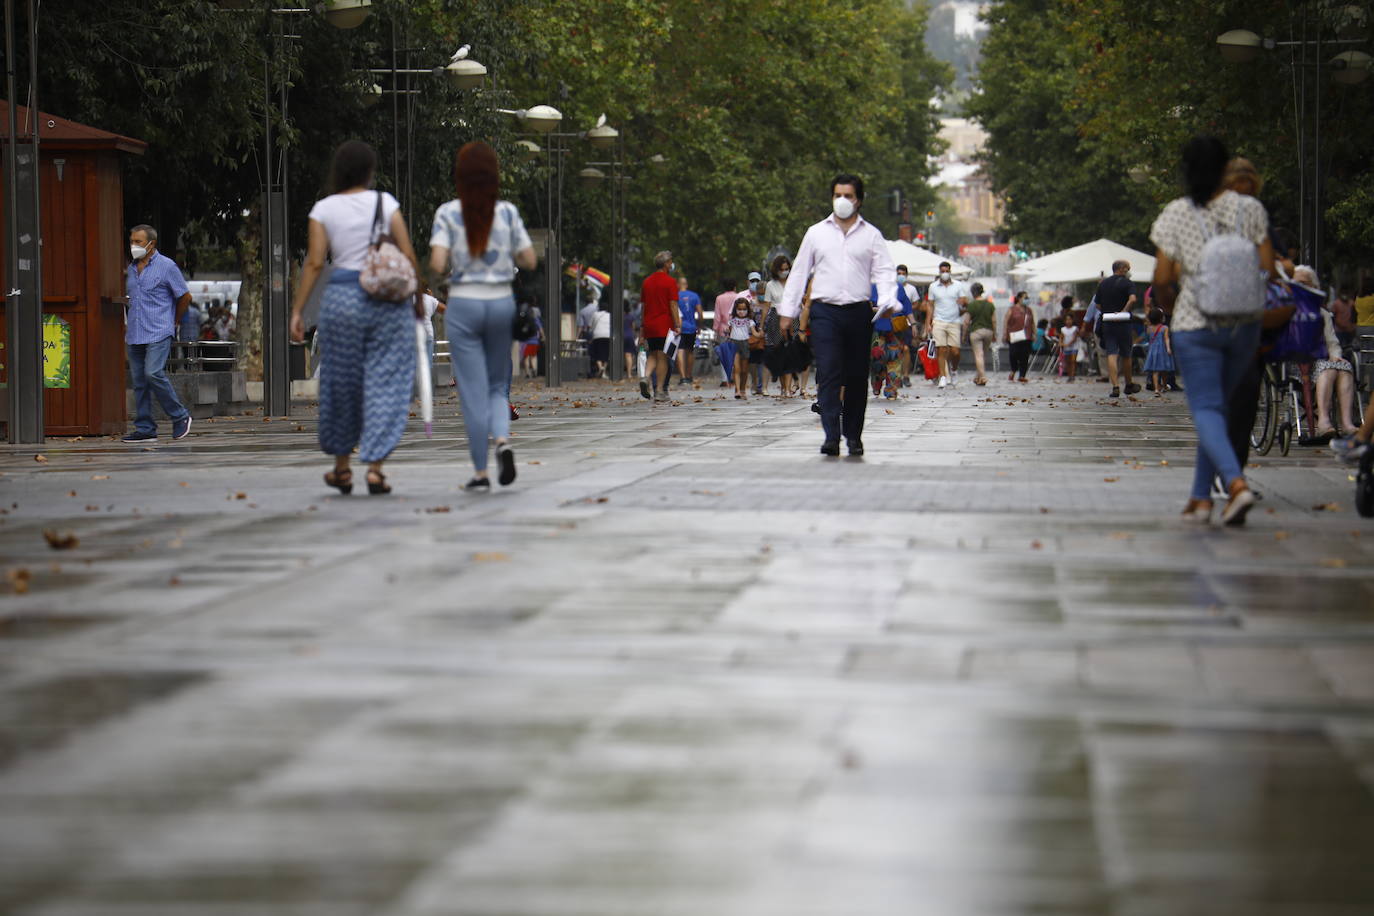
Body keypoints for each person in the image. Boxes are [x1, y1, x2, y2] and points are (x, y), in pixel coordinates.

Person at [1150, 135, 1275, 526]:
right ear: (1225, 168)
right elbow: (1268, 269)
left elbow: (1162, 277)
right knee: (1216, 409)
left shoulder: (1176, 213)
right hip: (1243, 325)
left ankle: (1235, 485)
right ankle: (1201, 500)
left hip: (1194, 322)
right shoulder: (1250, 209)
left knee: (1205, 408)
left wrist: (1176, 309)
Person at [289, 141, 421, 495]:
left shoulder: (323, 209)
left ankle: (342, 467)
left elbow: (316, 262)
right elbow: (407, 252)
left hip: (343, 299)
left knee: (341, 383)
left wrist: (299, 310)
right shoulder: (386, 203)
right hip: (385, 301)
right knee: (386, 381)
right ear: (369, 172)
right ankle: (376, 469)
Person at [428, 141, 537, 491]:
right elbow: (529, 260)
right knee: (494, 385)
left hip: (463, 306)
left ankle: (479, 472)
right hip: (500, 303)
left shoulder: (447, 213)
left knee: (471, 392)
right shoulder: (506, 212)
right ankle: (503, 441)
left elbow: (437, 263)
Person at [777, 172, 897, 457]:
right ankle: (831, 435)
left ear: (859, 200)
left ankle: (853, 436)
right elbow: (799, 272)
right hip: (824, 312)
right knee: (829, 372)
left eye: (849, 196)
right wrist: (788, 311)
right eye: (837, 195)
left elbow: (884, 271)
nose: (842, 200)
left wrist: (889, 298)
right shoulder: (816, 233)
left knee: (856, 376)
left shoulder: (871, 235)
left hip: (858, 312)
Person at [123, 224, 194, 443]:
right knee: (139, 381)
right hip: (135, 332)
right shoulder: (132, 269)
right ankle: (145, 428)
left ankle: (180, 416)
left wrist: (174, 321)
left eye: (138, 242)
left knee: (153, 373)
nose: (133, 245)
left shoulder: (166, 266)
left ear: (151, 244)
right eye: (132, 241)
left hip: (159, 330)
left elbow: (185, 296)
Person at [1093, 259, 1140, 397]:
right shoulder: (1128, 283)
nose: (1129, 271)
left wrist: (1109, 310)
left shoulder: (1103, 284)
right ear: (1122, 269)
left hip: (1108, 322)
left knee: (1111, 353)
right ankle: (1128, 383)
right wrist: (1123, 311)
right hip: (1123, 322)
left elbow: (1097, 305)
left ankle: (1115, 386)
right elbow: (1132, 299)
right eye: (1128, 268)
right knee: (1126, 354)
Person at [638, 251, 680, 402]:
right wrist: (678, 324)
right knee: (662, 356)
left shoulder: (646, 282)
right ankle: (660, 390)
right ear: (667, 263)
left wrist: (642, 328)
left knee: (652, 354)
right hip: (664, 324)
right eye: (671, 262)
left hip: (649, 325)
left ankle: (645, 376)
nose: (671, 264)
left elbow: (643, 306)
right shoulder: (670, 282)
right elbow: (673, 304)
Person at [922, 260, 968, 389]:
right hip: (939, 320)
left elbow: (965, 302)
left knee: (955, 351)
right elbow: (930, 306)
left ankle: (954, 370)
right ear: (939, 272)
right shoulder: (933, 287)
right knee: (941, 349)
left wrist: (964, 302)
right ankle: (943, 376)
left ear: (950, 272)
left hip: (954, 321)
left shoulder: (958, 285)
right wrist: (928, 323)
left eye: (947, 271)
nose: (945, 274)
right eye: (942, 271)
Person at [762, 255, 793, 396]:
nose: (784, 272)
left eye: (787, 269)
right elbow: (766, 307)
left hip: (792, 317)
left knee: (791, 352)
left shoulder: (794, 282)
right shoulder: (770, 285)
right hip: (775, 319)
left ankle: (788, 387)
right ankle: (784, 386)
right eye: (782, 269)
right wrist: (762, 325)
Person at [713, 278, 743, 388]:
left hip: (723, 329)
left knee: (724, 354)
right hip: (737, 328)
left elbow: (717, 317)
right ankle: (735, 377)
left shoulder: (719, 298)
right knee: (736, 354)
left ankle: (725, 379)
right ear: (735, 286)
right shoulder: (739, 297)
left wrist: (715, 331)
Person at [965, 282, 996, 386]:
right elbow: (994, 321)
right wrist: (995, 334)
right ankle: (978, 377)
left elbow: (966, 321)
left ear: (973, 292)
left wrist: (964, 334)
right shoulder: (990, 304)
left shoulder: (972, 305)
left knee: (979, 355)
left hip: (976, 332)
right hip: (988, 332)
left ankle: (982, 377)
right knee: (983, 354)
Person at [726, 297, 757, 400]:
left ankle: (742, 389)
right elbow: (728, 332)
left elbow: (754, 333)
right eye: (739, 309)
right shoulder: (732, 321)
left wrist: (760, 334)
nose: (742, 312)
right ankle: (738, 390)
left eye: (744, 309)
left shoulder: (750, 321)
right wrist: (726, 331)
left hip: (745, 344)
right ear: (736, 309)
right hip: (734, 343)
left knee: (744, 370)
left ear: (748, 310)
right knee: (737, 369)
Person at [676, 276, 702, 386]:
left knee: (680, 351)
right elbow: (700, 313)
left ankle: (682, 378)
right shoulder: (694, 296)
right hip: (691, 327)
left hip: (678, 327)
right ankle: (688, 375)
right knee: (690, 351)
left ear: (678, 285)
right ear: (686, 285)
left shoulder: (675, 296)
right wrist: (699, 325)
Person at [1142, 308, 1175, 397]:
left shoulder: (1149, 328)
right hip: (1162, 350)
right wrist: (1168, 348)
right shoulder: (1164, 328)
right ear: (1161, 318)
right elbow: (1166, 339)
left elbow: (1148, 337)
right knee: (1164, 370)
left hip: (1152, 350)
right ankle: (1164, 386)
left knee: (1155, 371)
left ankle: (1156, 389)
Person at [1004, 291, 1034, 383]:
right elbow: (1006, 321)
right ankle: (1013, 370)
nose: (1027, 299)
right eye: (1025, 297)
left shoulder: (1029, 310)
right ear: (1019, 298)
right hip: (1014, 336)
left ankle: (1022, 375)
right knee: (1013, 354)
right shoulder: (1012, 309)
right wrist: (1005, 333)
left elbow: (1032, 323)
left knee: (1024, 356)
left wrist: (1034, 333)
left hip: (1026, 336)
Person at [588, 302, 610, 378]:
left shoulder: (595, 314)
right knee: (606, 354)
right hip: (608, 336)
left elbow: (590, 325)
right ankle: (603, 372)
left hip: (597, 335)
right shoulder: (609, 315)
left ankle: (600, 368)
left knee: (597, 353)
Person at [1059, 312, 1080, 381]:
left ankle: (1073, 375)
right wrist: (1061, 343)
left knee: (1073, 361)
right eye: (1067, 320)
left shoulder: (1075, 328)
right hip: (1066, 348)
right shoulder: (1063, 329)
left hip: (1074, 347)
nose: (1068, 321)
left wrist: (1068, 344)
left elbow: (1074, 338)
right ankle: (1069, 375)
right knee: (1068, 362)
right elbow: (1061, 338)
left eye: (1070, 319)